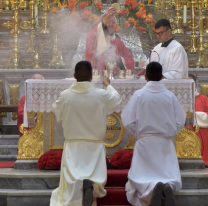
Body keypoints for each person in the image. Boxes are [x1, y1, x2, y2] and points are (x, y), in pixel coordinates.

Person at [50, 61, 121, 206]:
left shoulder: (66, 95)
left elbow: (57, 111)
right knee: (94, 176)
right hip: (94, 146)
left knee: (72, 180)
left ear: (74, 75)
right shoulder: (100, 94)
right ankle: (92, 188)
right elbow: (116, 99)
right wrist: (108, 84)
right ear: (91, 76)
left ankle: (79, 192)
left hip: (73, 146)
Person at [121, 62, 186, 206]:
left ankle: (150, 190)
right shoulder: (170, 96)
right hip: (164, 143)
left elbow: (127, 120)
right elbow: (180, 120)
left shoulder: (139, 95)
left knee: (141, 179)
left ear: (145, 77)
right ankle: (165, 186)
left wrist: (139, 133)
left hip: (145, 142)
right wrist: (169, 132)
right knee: (166, 175)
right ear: (162, 76)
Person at [85, 7, 134, 74]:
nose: (111, 24)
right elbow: (93, 35)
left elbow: (129, 58)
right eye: (108, 22)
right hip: (99, 76)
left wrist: (119, 59)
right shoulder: (96, 38)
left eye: (113, 22)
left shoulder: (118, 41)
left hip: (116, 78)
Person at [189, 73, 208, 166]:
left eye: (191, 82)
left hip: (200, 130)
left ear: (195, 84)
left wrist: (195, 115)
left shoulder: (204, 99)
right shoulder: (178, 99)